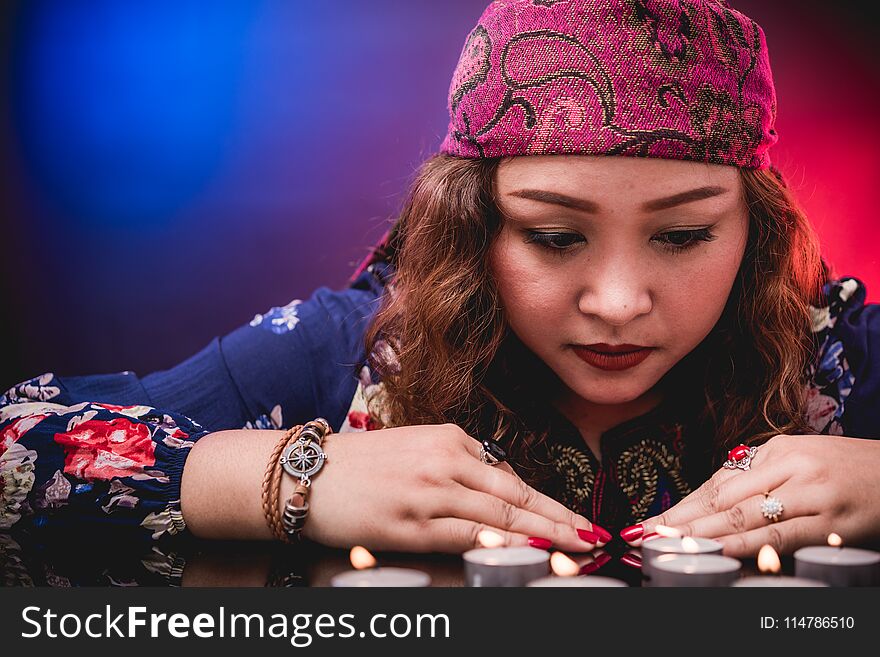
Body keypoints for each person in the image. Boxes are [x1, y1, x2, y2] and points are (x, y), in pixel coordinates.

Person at [2, 0, 878, 561]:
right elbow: (16, 442)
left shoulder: (836, 361)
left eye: (684, 235)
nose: (618, 302)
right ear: (471, 225)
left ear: (755, 233)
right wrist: (298, 478)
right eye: (553, 235)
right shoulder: (355, 353)